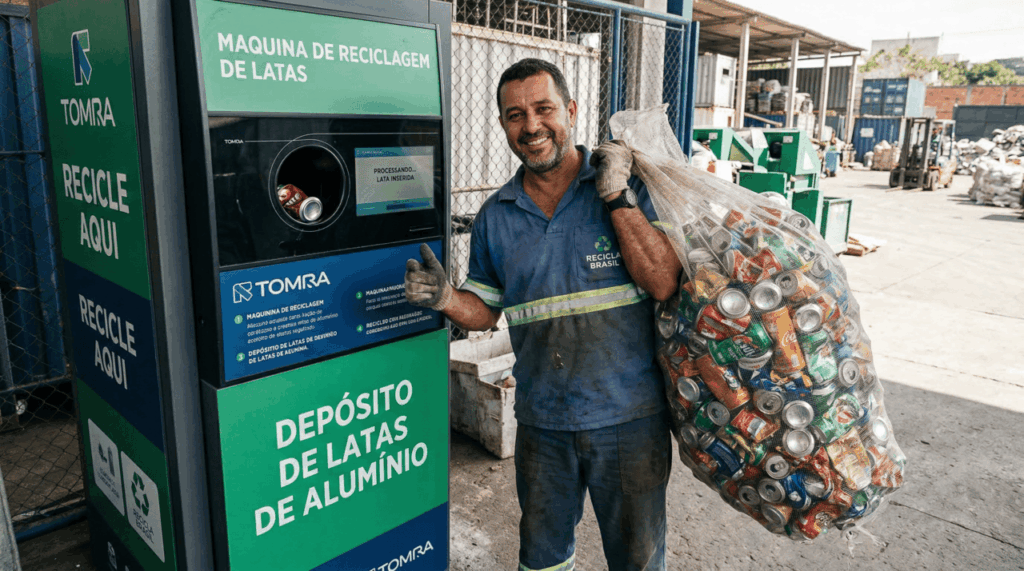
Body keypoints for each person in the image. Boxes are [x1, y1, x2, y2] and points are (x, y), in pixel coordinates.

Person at [404, 58, 682, 571]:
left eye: (543, 109)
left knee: (638, 560)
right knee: (543, 559)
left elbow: (664, 280)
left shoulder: (626, 188)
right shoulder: (497, 216)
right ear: (504, 125)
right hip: (541, 422)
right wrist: (445, 298)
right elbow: (485, 312)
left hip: (629, 419)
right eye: (515, 115)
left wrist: (617, 197)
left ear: (571, 111)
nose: (530, 126)